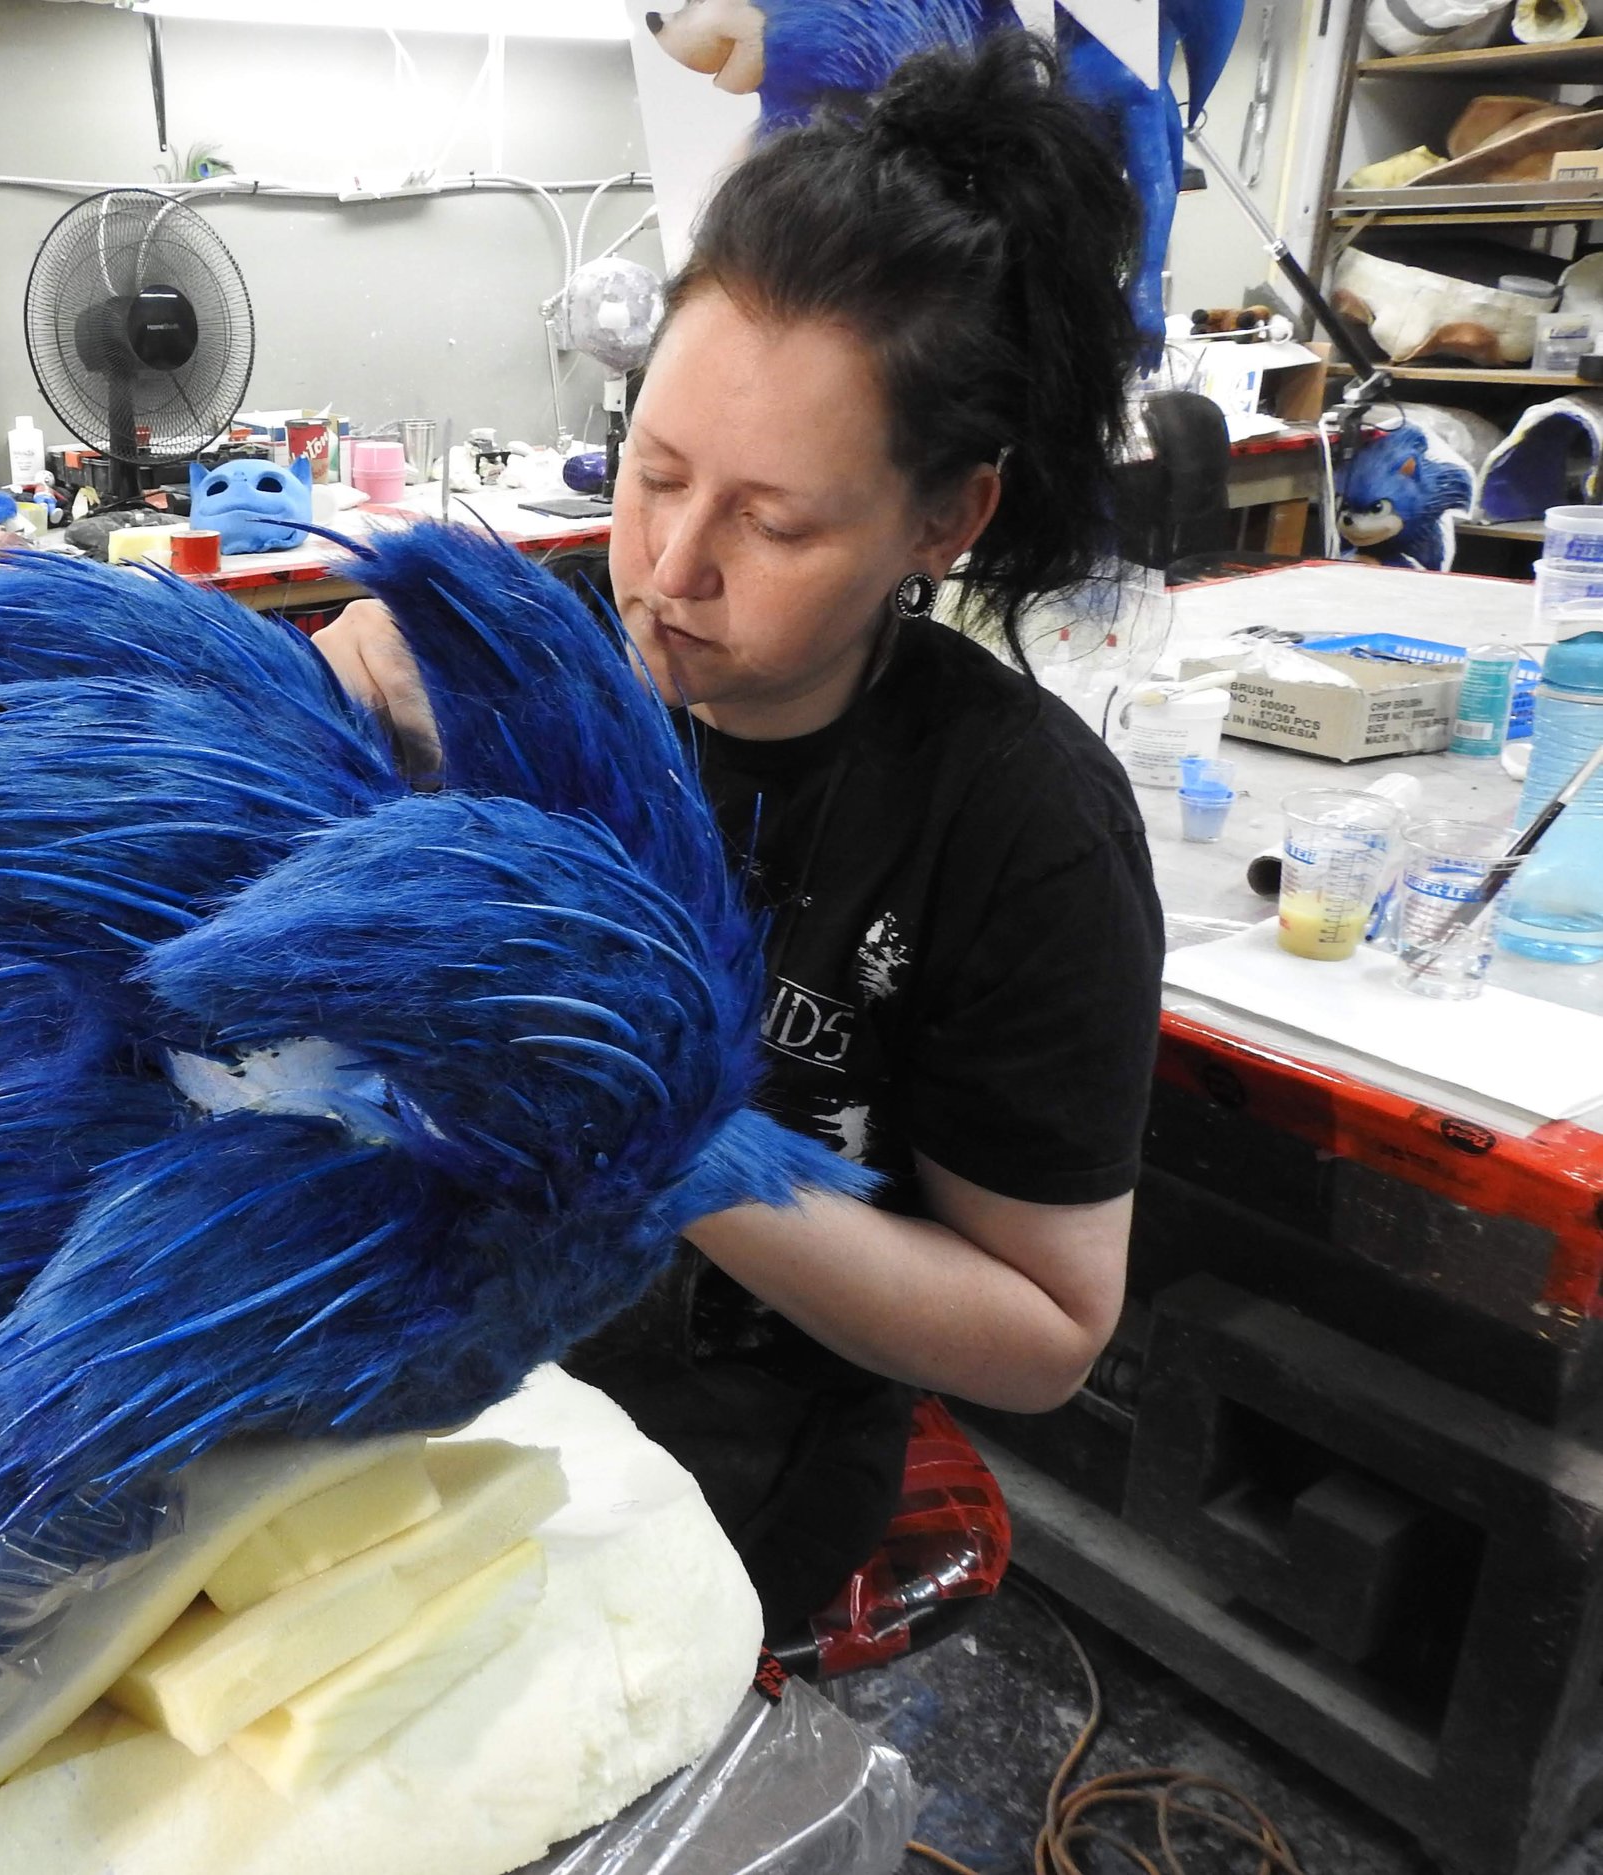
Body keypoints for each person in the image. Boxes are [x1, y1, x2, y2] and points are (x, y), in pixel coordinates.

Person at [314, 33, 1166, 1633]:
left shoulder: (1013, 825)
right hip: (426, 1349)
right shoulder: (533, 658)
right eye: (654, 472)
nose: (669, 569)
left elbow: (1049, 1330)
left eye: (773, 523)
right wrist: (312, 738)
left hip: (714, 1483)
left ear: (945, 518)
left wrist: (669, 1137)